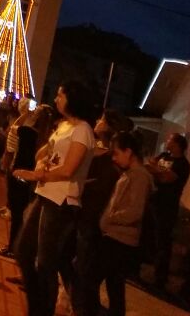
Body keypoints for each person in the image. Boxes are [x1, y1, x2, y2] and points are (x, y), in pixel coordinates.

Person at [14, 80, 96, 316]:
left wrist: (35, 174)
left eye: (61, 95)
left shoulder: (83, 130)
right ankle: (37, 306)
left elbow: (69, 169)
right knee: (23, 250)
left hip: (61, 201)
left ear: (74, 99)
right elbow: (46, 153)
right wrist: (46, 150)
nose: (56, 99)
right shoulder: (64, 126)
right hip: (45, 194)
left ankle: (43, 310)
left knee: (45, 262)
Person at [70, 108, 133, 315]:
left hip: (93, 220)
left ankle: (85, 310)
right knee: (82, 270)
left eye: (102, 119)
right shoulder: (100, 152)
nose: (97, 121)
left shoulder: (111, 159)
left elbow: (101, 186)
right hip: (86, 217)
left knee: (85, 272)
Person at [93, 130, 153, 316]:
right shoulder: (131, 174)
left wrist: (109, 218)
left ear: (128, 152)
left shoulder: (140, 176)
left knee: (93, 278)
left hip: (120, 239)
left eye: (117, 153)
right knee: (114, 285)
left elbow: (134, 212)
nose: (114, 158)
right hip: (116, 237)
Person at [0, 104, 53, 260]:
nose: (33, 112)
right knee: (20, 213)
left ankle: (13, 247)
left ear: (37, 117)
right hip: (30, 178)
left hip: (19, 173)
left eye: (36, 111)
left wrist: (25, 114)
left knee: (16, 213)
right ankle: (15, 247)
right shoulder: (45, 137)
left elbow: (12, 129)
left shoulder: (27, 131)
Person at [145, 131, 190, 290]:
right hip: (154, 201)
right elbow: (150, 165)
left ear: (177, 144)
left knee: (163, 241)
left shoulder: (183, 164)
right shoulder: (164, 155)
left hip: (167, 207)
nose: (167, 141)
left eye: (170, 139)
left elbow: (168, 178)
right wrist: (158, 170)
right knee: (148, 234)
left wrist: (156, 170)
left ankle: (160, 279)